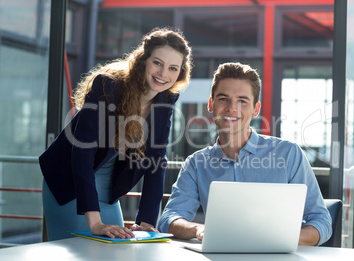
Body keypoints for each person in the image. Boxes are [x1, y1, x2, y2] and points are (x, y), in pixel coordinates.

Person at [40, 27, 192, 241]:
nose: (163, 74)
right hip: (71, 184)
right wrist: (96, 223)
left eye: (173, 68)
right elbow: (82, 153)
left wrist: (146, 222)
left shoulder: (165, 99)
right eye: (157, 63)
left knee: (118, 251)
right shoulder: (108, 86)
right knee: (78, 257)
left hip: (109, 191)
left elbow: (157, 159)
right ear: (143, 60)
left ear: (180, 73)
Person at [158, 62, 332, 246]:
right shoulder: (197, 163)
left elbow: (321, 221)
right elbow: (169, 218)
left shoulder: (288, 154)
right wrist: (199, 229)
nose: (232, 108)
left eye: (242, 101)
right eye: (223, 99)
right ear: (211, 104)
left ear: (256, 109)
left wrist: (281, 241)